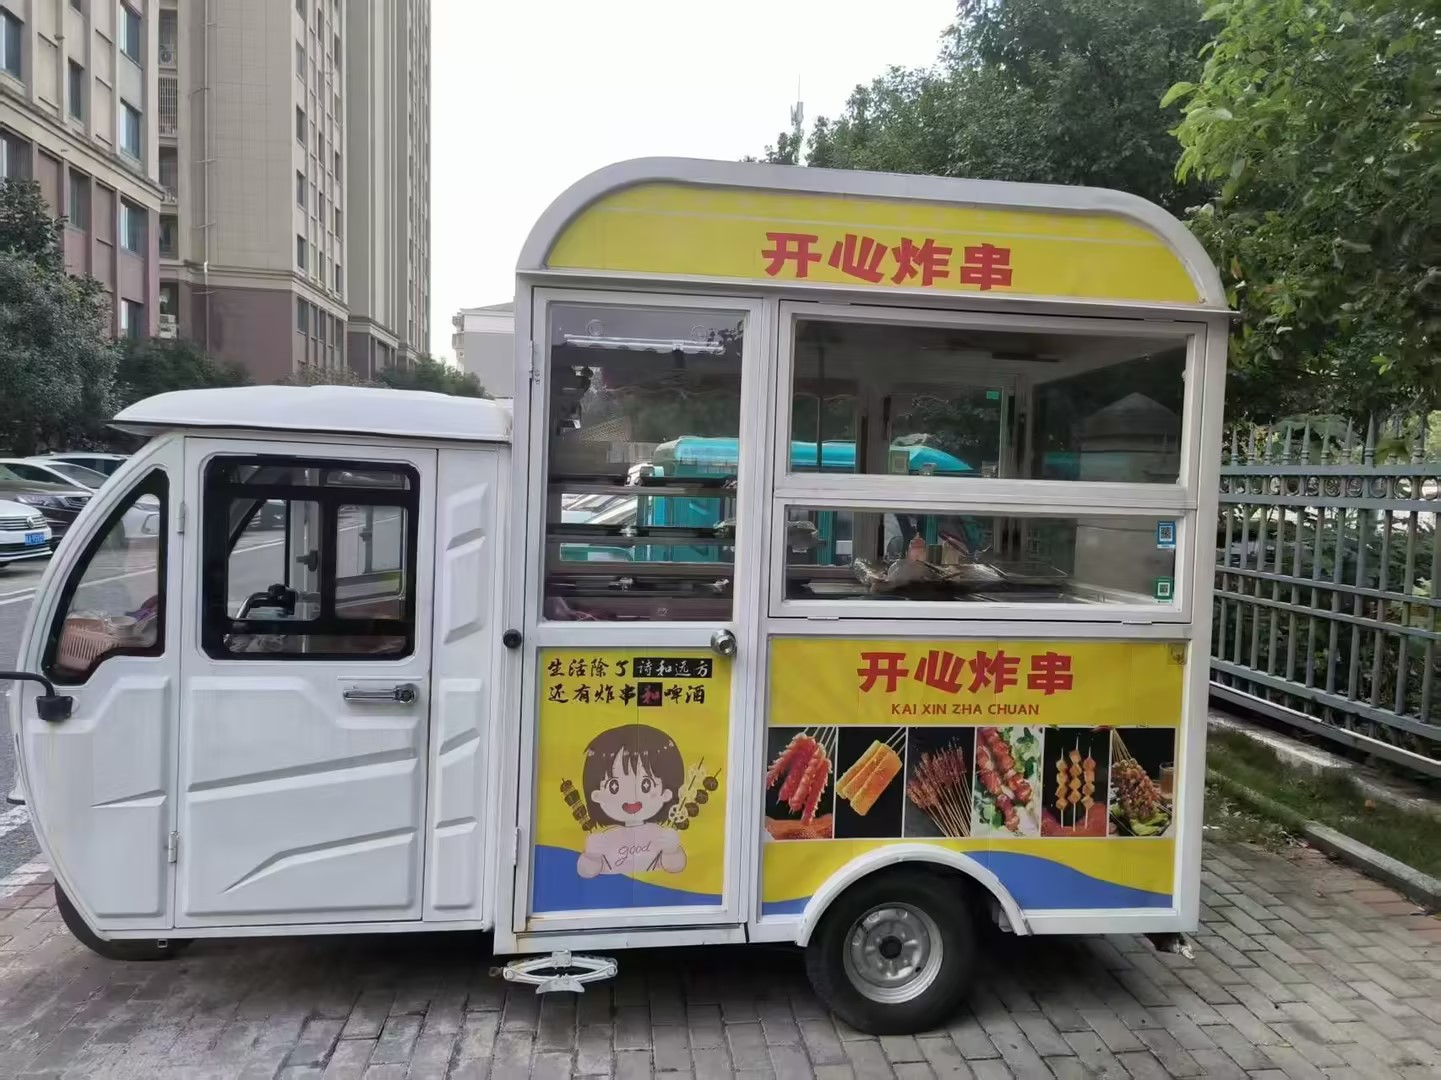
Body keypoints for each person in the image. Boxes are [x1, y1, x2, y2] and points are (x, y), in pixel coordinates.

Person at [576, 725, 688, 878]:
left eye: (646, 784)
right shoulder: (605, 839)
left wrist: (672, 850)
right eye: (614, 786)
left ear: (666, 793)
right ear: (596, 795)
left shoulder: (660, 835)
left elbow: (675, 866)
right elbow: (586, 872)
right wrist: (591, 856)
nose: (631, 797)